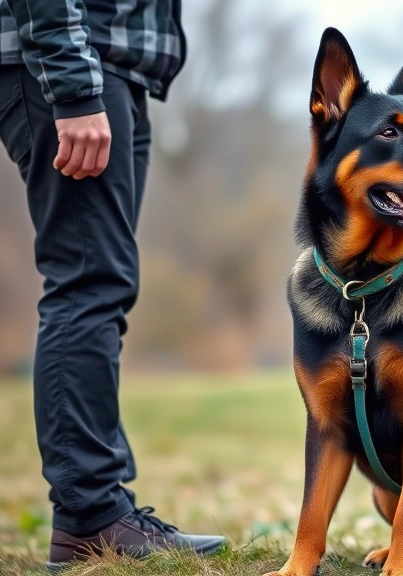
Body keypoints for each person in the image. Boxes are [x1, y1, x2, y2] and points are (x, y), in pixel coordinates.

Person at [0, 0, 225, 569]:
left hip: (115, 66)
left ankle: (104, 506)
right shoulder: (71, 73)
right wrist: (72, 84)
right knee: (88, 282)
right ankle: (89, 517)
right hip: (69, 63)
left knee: (104, 283)